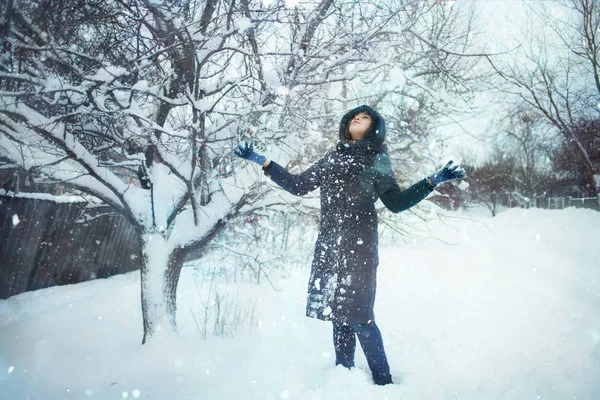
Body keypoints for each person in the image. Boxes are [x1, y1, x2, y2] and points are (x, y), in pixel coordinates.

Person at [234, 105, 466, 385]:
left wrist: (431, 182)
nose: (359, 117)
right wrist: (265, 163)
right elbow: (299, 185)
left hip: (360, 247)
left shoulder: (377, 159)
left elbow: (395, 202)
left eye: (366, 117)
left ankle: (384, 383)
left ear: (373, 128)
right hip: (330, 246)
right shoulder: (333, 157)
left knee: (360, 317)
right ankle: (343, 378)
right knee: (338, 316)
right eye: (356, 115)